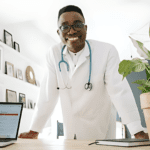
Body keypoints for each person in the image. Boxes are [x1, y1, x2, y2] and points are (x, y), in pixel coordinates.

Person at [19, 5, 149, 140]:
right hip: (72, 130)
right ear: (58, 32)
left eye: (77, 24)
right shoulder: (54, 54)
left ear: (85, 28)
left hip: (101, 129)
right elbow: (47, 96)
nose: (72, 31)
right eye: (65, 27)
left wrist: (137, 130)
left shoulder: (106, 51)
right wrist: (34, 130)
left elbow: (119, 92)